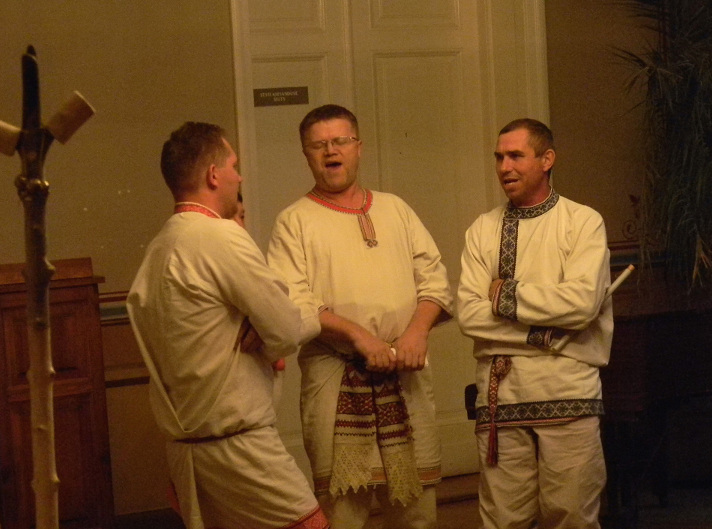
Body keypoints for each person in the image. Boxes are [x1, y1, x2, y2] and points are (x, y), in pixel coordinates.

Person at [127, 121, 329, 529]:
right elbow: (285, 331)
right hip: (238, 447)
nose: (239, 177)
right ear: (213, 175)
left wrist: (260, 325)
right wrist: (314, 311)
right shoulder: (219, 236)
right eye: (233, 166)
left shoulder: (159, 247)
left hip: (188, 447)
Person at [267, 104, 453, 529]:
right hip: (336, 382)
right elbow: (293, 301)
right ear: (306, 154)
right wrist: (358, 336)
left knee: (416, 513)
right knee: (344, 514)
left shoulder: (395, 209)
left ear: (358, 147)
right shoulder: (294, 221)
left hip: (404, 377)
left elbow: (435, 280)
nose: (331, 151)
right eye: (319, 145)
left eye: (340, 141)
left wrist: (417, 332)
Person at [456, 118, 613, 529]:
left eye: (515, 156)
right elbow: (469, 314)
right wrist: (546, 332)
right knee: (503, 520)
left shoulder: (583, 222)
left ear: (547, 159)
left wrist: (504, 297)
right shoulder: (483, 229)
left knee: (571, 516)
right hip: (501, 396)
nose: (504, 167)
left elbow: (581, 304)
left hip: (568, 392)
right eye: (499, 157)